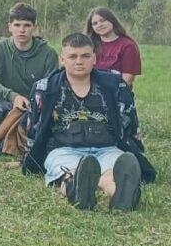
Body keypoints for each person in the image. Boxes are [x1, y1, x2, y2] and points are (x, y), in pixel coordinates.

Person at [23, 33, 155, 211]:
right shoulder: (45, 88)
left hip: (107, 147)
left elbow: (130, 121)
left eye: (85, 56)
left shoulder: (115, 85)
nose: (79, 61)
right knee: (70, 174)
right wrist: (29, 156)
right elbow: (33, 127)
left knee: (112, 173)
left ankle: (120, 195)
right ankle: (77, 192)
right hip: (62, 149)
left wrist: (135, 149)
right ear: (62, 59)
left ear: (94, 58)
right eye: (73, 56)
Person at [0, 2, 59, 128]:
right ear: (9, 27)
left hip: (35, 105)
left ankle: (22, 127)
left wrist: (32, 103)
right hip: (7, 101)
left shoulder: (49, 53)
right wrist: (13, 97)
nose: (21, 30)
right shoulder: (0, 48)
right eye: (17, 25)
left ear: (35, 27)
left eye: (27, 25)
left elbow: (52, 88)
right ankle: (7, 128)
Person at [85, 7, 142, 87]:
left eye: (102, 20)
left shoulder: (128, 46)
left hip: (116, 92)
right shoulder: (88, 46)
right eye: (95, 23)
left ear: (111, 20)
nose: (99, 25)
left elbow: (127, 80)